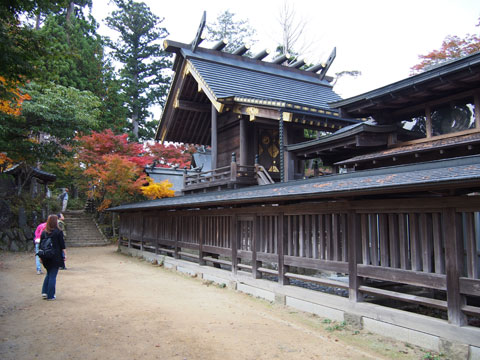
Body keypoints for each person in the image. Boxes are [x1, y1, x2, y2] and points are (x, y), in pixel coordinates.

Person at [40, 214, 66, 301]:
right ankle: (50, 295)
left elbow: (41, 245)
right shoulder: (58, 232)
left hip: (45, 256)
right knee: (53, 275)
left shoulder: (44, 232)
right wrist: (64, 255)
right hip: (55, 256)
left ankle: (44, 291)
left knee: (48, 273)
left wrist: (41, 257)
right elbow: (62, 245)